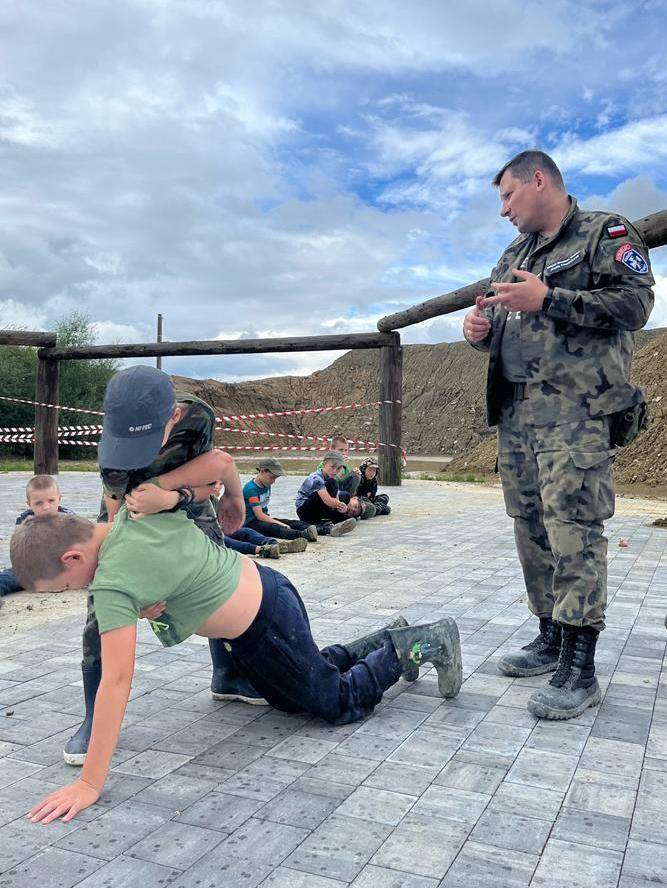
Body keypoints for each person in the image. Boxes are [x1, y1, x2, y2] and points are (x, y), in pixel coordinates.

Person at [11, 507, 462, 824]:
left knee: (335, 701)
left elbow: (116, 680)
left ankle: (416, 646)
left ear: (72, 557)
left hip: (265, 623)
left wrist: (90, 783)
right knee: (290, 697)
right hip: (267, 594)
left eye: (65, 587)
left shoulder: (111, 583)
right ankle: (385, 640)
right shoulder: (134, 514)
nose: (76, 592)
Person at [462, 150, 654, 720]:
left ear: (539, 181)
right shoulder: (513, 255)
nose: (503, 210)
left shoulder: (604, 232)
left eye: (508, 196)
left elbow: (636, 304)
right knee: (531, 528)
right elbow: (504, 323)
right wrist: (478, 331)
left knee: (574, 530)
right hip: (517, 418)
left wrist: (550, 298)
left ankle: (580, 667)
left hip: (576, 415)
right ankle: (550, 635)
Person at [64, 366, 266, 769]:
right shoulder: (113, 446)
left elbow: (210, 478)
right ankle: (94, 714)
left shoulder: (197, 417)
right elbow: (117, 524)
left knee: (215, 575)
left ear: (173, 415)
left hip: (183, 502)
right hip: (129, 512)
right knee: (102, 606)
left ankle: (227, 673)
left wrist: (197, 497)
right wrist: (133, 592)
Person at [0, 475, 74, 596]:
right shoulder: (24, 520)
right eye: (38, 503)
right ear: (29, 503)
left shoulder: (69, 519)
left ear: (59, 498)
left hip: (62, 566)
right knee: (7, 577)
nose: (46, 507)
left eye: (51, 501)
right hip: (31, 568)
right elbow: (19, 551)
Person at [243, 458, 320, 540]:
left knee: (292, 522)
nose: (273, 481)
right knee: (276, 528)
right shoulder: (251, 489)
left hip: (263, 519)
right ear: (262, 471)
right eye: (272, 477)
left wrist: (281, 523)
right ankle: (302, 535)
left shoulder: (266, 484)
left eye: (275, 478)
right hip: (251, 522)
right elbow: (259, 515)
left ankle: (319, 529)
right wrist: (280, 524)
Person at [295, 451, 358, 536]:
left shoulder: (331, 477)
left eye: (338, 468)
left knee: (345, 496)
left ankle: (329, 522)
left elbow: (336, 497)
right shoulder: (316, 478)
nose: (335, 471)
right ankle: (325, 526)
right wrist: (340, 505)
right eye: (332, 467)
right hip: (305, 511)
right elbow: (329, 501)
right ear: (324, 465)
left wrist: (342, 508)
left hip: (320, 508)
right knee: (332, 483)